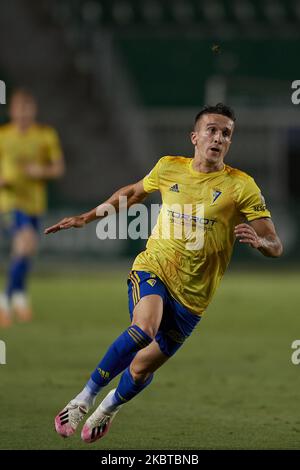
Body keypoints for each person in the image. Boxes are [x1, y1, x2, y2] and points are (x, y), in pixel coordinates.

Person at [45, 103, 283, 444]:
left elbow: (276, 244)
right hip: (154, 268)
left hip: (194, 298)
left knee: (141, 369)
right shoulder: (169, 167)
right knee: (143, 329)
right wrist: (87, 217)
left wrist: (261, 242)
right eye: (212, 130)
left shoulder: (241, 186)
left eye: (226, 134)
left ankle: (109, 407)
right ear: (195, 137)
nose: (218, 138)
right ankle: (84, 398)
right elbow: (132, 194)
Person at [0, 89, 65, 327]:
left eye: (28, 108)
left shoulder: (45, 135)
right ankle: (6, 299)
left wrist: (41, 171)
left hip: (35, 204)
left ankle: (19, 294)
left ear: (33, 110)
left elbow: (58, 168)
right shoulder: (3, 136)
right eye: (19, 108)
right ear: (12, 111)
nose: (24, 113)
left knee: (25, 250)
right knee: (25, 241)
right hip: (10, 202)